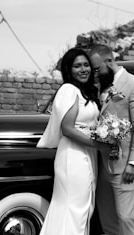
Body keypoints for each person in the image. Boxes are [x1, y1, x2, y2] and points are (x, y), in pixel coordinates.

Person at [36, 47, 111, 235]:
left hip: (87, 153)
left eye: (86, 65)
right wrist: (98, 145)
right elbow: (67, 128)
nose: (83, 69)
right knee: (74, 208)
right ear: (69, 69)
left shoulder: (84, 92)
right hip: (73, 156)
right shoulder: (68, 90)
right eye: (77, 66)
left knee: (84, 207)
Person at [89, 44, 134, 235]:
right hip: (101, 164)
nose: (96, 74)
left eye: (98, 69)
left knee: (126, 217)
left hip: (124, 164)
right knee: (108, 221)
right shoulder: (100, 86)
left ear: (110, 61)